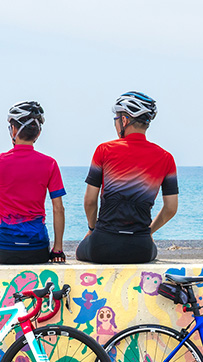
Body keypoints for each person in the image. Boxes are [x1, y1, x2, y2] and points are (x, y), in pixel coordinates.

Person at [0, 101, 66, 265]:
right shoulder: (50, 163)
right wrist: (57, 250)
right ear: (38, 133)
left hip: (6, 250)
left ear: (13, 130)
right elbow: (58, 208)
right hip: (37, 249)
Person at [75, 91, 178, 264]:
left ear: (124, 120)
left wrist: (92, 229)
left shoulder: (104, 150)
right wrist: (149, 232)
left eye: (116, 119)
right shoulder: (166, 158)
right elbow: (171, 208)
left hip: (102, 246)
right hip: (141, 248)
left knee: (80, 251)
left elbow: (90, 201)